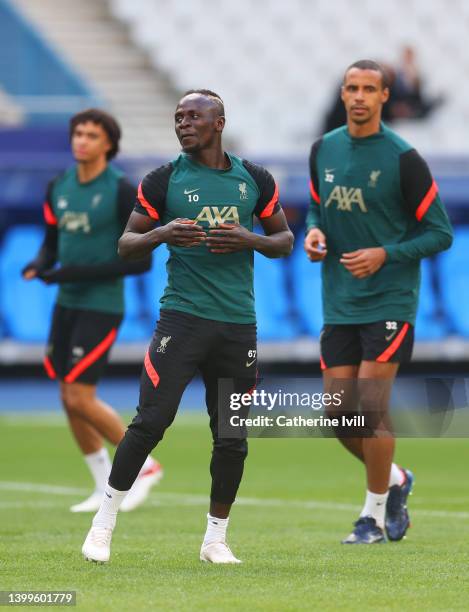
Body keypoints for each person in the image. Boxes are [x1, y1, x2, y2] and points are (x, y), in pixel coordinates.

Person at [81, 89, 294, 564]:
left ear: (219, 123)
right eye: (178, 117)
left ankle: (215, 540)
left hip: (238, 325)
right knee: (151, 421)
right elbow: (125, 244)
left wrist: (249, 238)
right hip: (182, 319)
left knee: (232, 437)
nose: (183, 124)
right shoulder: (162, 180)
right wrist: (160, 233)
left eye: (193, 117)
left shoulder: (253, 178)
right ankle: (104, 524)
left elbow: (284, 241)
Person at [304, 60, 453, 544]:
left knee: (367, 410)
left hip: (390, 299)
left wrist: (385, 253)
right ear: (343, 94)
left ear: (386, 96)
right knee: (337, 416)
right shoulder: (323, 149)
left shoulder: (403, 157)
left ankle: (370, 516)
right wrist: (314, 232)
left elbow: (440, 233)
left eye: (370, 88)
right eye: (352, 87)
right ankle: (396, 480)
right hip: (339, 300)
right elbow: (315, 205)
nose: (360, 96)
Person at [22, 109, 163, 514]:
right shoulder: (59, 186)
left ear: (108, 144)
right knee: (68, 397)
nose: (81, 140)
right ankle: (103, 483)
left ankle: (146, 465)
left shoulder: (120, 190)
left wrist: (75, 272)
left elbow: (140, 261)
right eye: (77, 133)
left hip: (101, 305)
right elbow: (52, 241)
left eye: (91, 135)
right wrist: (39, 263)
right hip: (67, 302)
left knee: (81, 396)